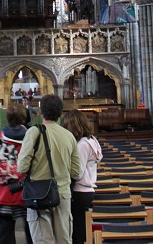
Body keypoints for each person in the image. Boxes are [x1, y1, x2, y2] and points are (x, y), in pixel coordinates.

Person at [17, 94, 81, 244]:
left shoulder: (33, 132)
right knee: (64, 239)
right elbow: (76, 172)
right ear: (61, 113)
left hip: (39, 194)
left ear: (40, 111)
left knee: (42, 240)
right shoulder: (69, 136)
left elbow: (22, 167)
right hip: (63, 194)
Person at [0, 102, 33, 244]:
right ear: (24, 119)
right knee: (32, 232)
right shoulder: (30, 138)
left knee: (5, 233)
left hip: (3, 193)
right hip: (25, 192)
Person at [59, 111, 102, 244]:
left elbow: (77, 172)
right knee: (79, 230)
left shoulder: (82, 145)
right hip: (86, 190)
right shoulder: (90, 140)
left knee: (77, 233)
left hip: (80, 191)